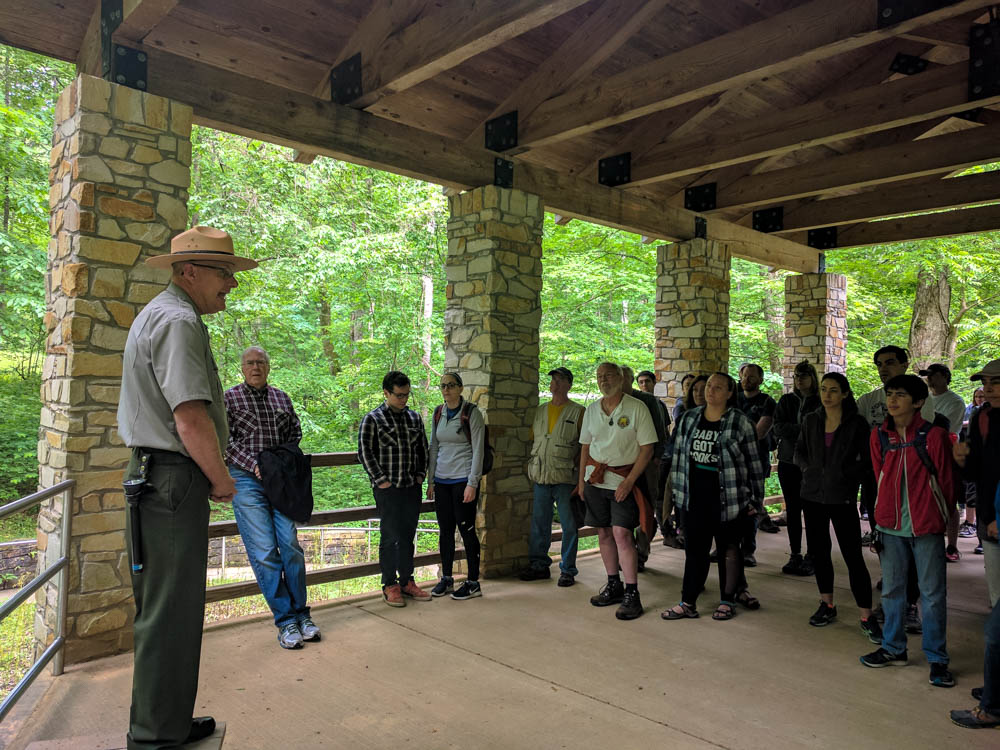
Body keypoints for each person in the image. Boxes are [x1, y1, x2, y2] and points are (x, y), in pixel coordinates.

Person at [118, 226, 257, 749]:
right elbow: (189, 416)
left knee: (165, 611)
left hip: (155, 478)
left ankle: (164, 723)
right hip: (173, 479)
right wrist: (222, 479)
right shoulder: (178, 321)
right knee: (171, 613)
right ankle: (156, 738)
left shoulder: (161, 313)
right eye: (225, 274)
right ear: (189, 271)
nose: (231, 285)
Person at [860, 374, 957, 689]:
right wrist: (881, 518)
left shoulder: (935, 436)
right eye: (890, 394)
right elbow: (879, 477)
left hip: (926, 526)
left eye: (900, 395)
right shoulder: (880, 437)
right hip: (891, 527)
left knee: (931, 595)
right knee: (891, 591)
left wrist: (938, 518)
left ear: (918, 402)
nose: (892, 400)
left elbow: (945, 483)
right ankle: (893, 649)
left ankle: (937, 659)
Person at [224, 346, 318, 649]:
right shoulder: (230, 398)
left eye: (260, 362)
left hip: (280, 478)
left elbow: (295, 433)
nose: (255, 367)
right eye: (250, 362)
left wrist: (279, 463)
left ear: (268, 367)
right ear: (242, 367)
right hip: (246, 477)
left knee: (289, 544)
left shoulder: (281, 398)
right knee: (264, 550)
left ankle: (302, 614)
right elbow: (223, 441)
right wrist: (254, 464)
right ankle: (286, 621)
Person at [662, 372, 765, 622]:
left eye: (718, 387)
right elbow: (677, 460)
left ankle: (727, 601)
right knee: (695, 551)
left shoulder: (740, 423)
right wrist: (676, 497)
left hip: (729, 498)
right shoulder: (688, 419)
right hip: (693, 498)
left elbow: (755, 466)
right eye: (709, 385)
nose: (711, 390)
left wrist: (755, 502)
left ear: (730, 393)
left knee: (729, 549)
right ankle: (688, 602)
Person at [794, 372, 881, 643]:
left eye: (833, 390)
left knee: (853, 556)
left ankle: (866, 615)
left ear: (844, 393)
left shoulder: (856, 423)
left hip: (842, 497)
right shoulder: (811, 420)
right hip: (812, 496)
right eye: (823, 389)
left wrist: (845, 474)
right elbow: (799, 452)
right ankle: (826, 604)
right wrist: (809, 469)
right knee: (819, 553)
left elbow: (868, 461)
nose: (827, 394)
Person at [857, 345, 932, 632]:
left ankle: (911, 604)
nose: (883, 368)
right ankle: (891, 597)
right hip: (879, 483)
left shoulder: (923, 399)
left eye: (889, 362)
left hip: (915, 488)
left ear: (904, 364)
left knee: (914, 545)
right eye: (879, 364)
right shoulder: (868, 401)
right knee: (886, 543)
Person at [577, 362, 657, 620]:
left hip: (623, 480)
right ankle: (614, 584)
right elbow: (585, 449)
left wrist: (629, 481)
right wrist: (581, 482)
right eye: (599, 376)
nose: (604, 380)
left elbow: (647, 449)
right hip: (595, 481)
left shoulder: (637, 408)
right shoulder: (591, 410)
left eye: (609, 375)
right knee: (603, 533)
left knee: (623, 534)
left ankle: (632, 592)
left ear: (621, 378)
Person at [949, 359, 1000, 728]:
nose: (990, 388)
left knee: (997, 626)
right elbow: (977, 473)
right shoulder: (983, 417)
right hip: (989, 523)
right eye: (987, 382)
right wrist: (962, 461)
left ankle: (994, 704)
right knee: (996, 603)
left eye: (997, 382)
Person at [358, 371, 432, 607]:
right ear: (386, 393)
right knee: (390, 537)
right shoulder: (373, 419)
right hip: (387, 490)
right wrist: (381, 480)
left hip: (411, 487)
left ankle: (407, 581)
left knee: (408, 536)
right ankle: (390, 585)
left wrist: (421, 475)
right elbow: (364, 452)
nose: (403, 399)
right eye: (399, 395)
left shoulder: (414, 418)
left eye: (406, 395)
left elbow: (423, 449)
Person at [521, 367, 584, 586]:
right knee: (539, 523)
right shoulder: (540, 411)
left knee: (569, 525)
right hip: (540, 476)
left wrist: (579, 473)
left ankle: (568, 569)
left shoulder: (578, 412)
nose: (554, 383)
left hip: (565, 478)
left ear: (568, 384)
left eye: (559, 379)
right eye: (552, 379)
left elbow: (585, 447)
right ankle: (539, 565)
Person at [427, 372, 486, 600]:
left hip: (463, 480)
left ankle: (473, 583)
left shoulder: (472, 413)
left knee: (467, 530)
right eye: (442, 385)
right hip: (442, 481)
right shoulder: (438, 413)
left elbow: (479, 449)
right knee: (445, 531)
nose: (446, 389)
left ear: (460, 388)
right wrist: (431, 480)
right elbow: (434, 447)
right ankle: (447, 579)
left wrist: (473, 483)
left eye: (451, 385)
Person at [774, 360, 821, 576]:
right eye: (796, 376)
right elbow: (779, 428)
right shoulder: (786, 400)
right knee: (793, 510)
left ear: (812, 378)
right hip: (787, 461)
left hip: (812, 464)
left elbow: (822, 431)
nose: (799, 380)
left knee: (812, 510)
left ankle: (813, 554)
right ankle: (795, 553)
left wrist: (800, 430)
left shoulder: (820, 401)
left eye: (803, 375)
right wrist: (804, 429)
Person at [622, 365, 668, 565]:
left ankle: (641, 551)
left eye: (624, 378)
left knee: (646, 507)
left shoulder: (647, 401)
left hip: (647, 463)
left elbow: (661, 430)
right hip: (621, 464)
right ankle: (626, 552)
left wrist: (655, 459)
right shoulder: (613, 402)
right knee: (623, 509)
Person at [920, 363, 965, 562]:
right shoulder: (925, 399)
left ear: (945, 376)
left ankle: (952, 546)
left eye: (933, 375)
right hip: (923, 453)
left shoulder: (955, 401)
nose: (929, 379)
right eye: (927, 375)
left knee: (949, 499)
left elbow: (947, 427)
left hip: (947, 453)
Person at [736, 363, 779, 567]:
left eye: (752, 376)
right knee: (728, 506)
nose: (747, 379)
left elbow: (759, 433)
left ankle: (747, 550)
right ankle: (727, 546)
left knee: (752, 506)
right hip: (731, 462)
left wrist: (735, 432)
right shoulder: (733, 398)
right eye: (744, 375)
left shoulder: (767, 402)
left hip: (756, 462)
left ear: (761, 380)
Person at [638, 369, 680, 547]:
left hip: (658, 459)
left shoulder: (659, 405)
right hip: (639, 460)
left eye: (647, 381)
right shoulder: (636, 404)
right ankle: (642, 544)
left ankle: (667, 532)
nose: (644, 385)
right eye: (640, 382)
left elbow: (664, 432)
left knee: (660, 498)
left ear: (654, 383)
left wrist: (659, 456)